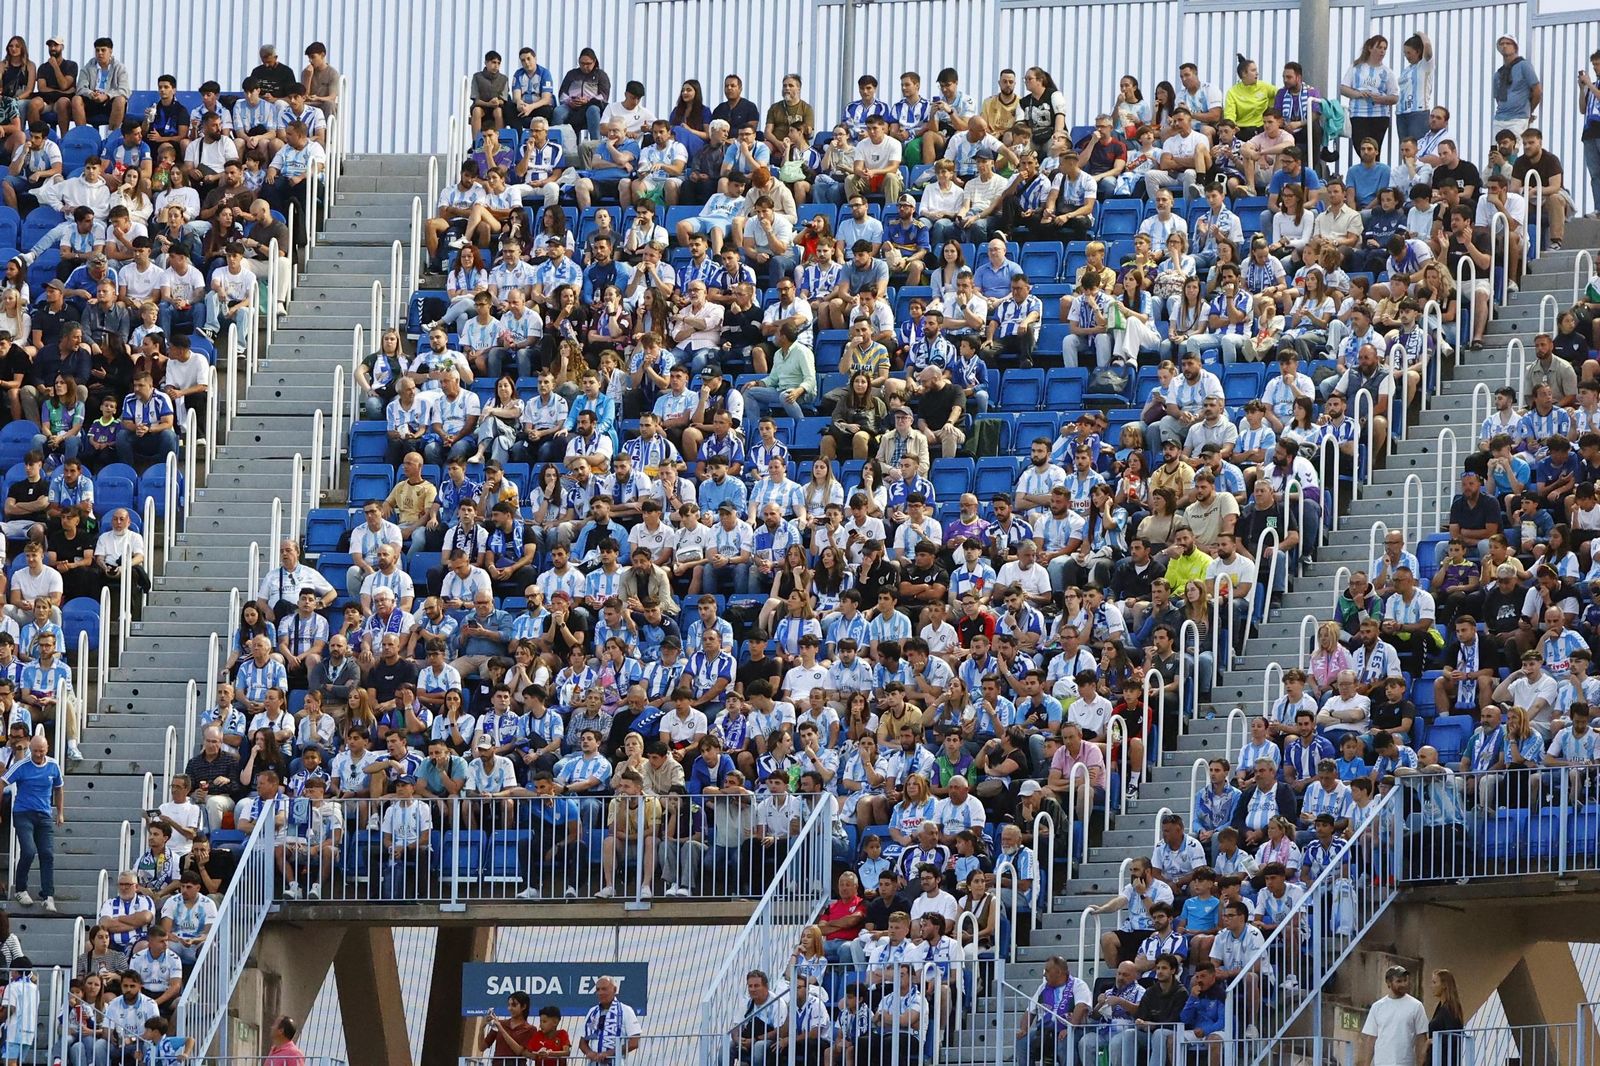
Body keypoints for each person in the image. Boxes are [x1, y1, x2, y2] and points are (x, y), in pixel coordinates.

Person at [4, 734, 62, 911]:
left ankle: (48, 895)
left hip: (44, 814)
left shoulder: (53, 765)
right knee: (28, 851)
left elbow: (59, 788)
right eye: (35, 751)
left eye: (41, 751)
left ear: (47, 749)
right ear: (31, 750)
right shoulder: (23, 765)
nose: (38, 754)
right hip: (23, 813)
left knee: (47, 854)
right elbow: (3, 781)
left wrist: (60, 812)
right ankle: (21, 889)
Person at [1359, 965, 1430, 1066]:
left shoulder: (1416, 1006)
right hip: (1381, 1062)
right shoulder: (1377, 1007)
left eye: (1405, 980)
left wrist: (1420, 1063)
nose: (1404, 984)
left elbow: (1421, 1039)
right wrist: (1366, 1064)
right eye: (1399, 981)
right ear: (1388, 983)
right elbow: (1371, 1039)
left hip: (1405, 1062)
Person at [579, 976, 642, 1063]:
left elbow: (634, 1042)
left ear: (615, 990)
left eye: (604, 989)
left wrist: (610, 1053)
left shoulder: (626, 1010)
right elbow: (583, 1042)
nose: (600, 992)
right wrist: (590, 1053)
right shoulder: (592, 1012)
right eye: (598, 989)